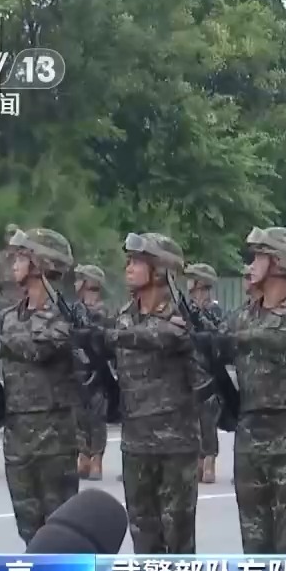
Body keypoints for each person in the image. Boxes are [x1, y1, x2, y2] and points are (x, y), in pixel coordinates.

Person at [0, 229, 82, 544]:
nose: (14, 262)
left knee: (60, 531)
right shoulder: (8, 316)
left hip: (54, 439)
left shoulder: (67, 313)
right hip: (17, 436)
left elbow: (39, 348)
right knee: (29, 531)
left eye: (22, 256)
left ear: (41, 263)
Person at [203, 228, 286, 553]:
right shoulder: (242, 316)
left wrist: (232, 339)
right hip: (249, 446)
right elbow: (214, 347)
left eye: (259, 257)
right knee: (254, 550)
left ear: (280, 262)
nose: (251, 265)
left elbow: (282, 341)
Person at [89, 233, 204, 553]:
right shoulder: (124, 315)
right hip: (136, 442)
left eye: (137, 262)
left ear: (160, 270)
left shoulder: (181, 316)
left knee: (178, 538)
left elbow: (160, 336)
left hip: (174, 444)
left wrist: (109, 336)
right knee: (143, 535)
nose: (128, 268)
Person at [184, 262, 225, 484]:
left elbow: (218, 335)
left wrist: (200, 317)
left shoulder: (214, 310)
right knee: (191, 419)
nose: (188, 283)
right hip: (189, 370)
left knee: (208, 418)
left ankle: (209, 460)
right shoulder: (186, 308)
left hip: (208, 371)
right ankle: (197, 459)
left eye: (192, 279)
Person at [71, 264, 110, 480]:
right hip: (77, 369)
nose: (75, 283)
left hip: (96, 371)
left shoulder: (102, 312)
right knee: (79, 415)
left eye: (80, 279)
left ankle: (96, 458)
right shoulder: (75, 309)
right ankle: (83, 455)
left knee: (96, 417)